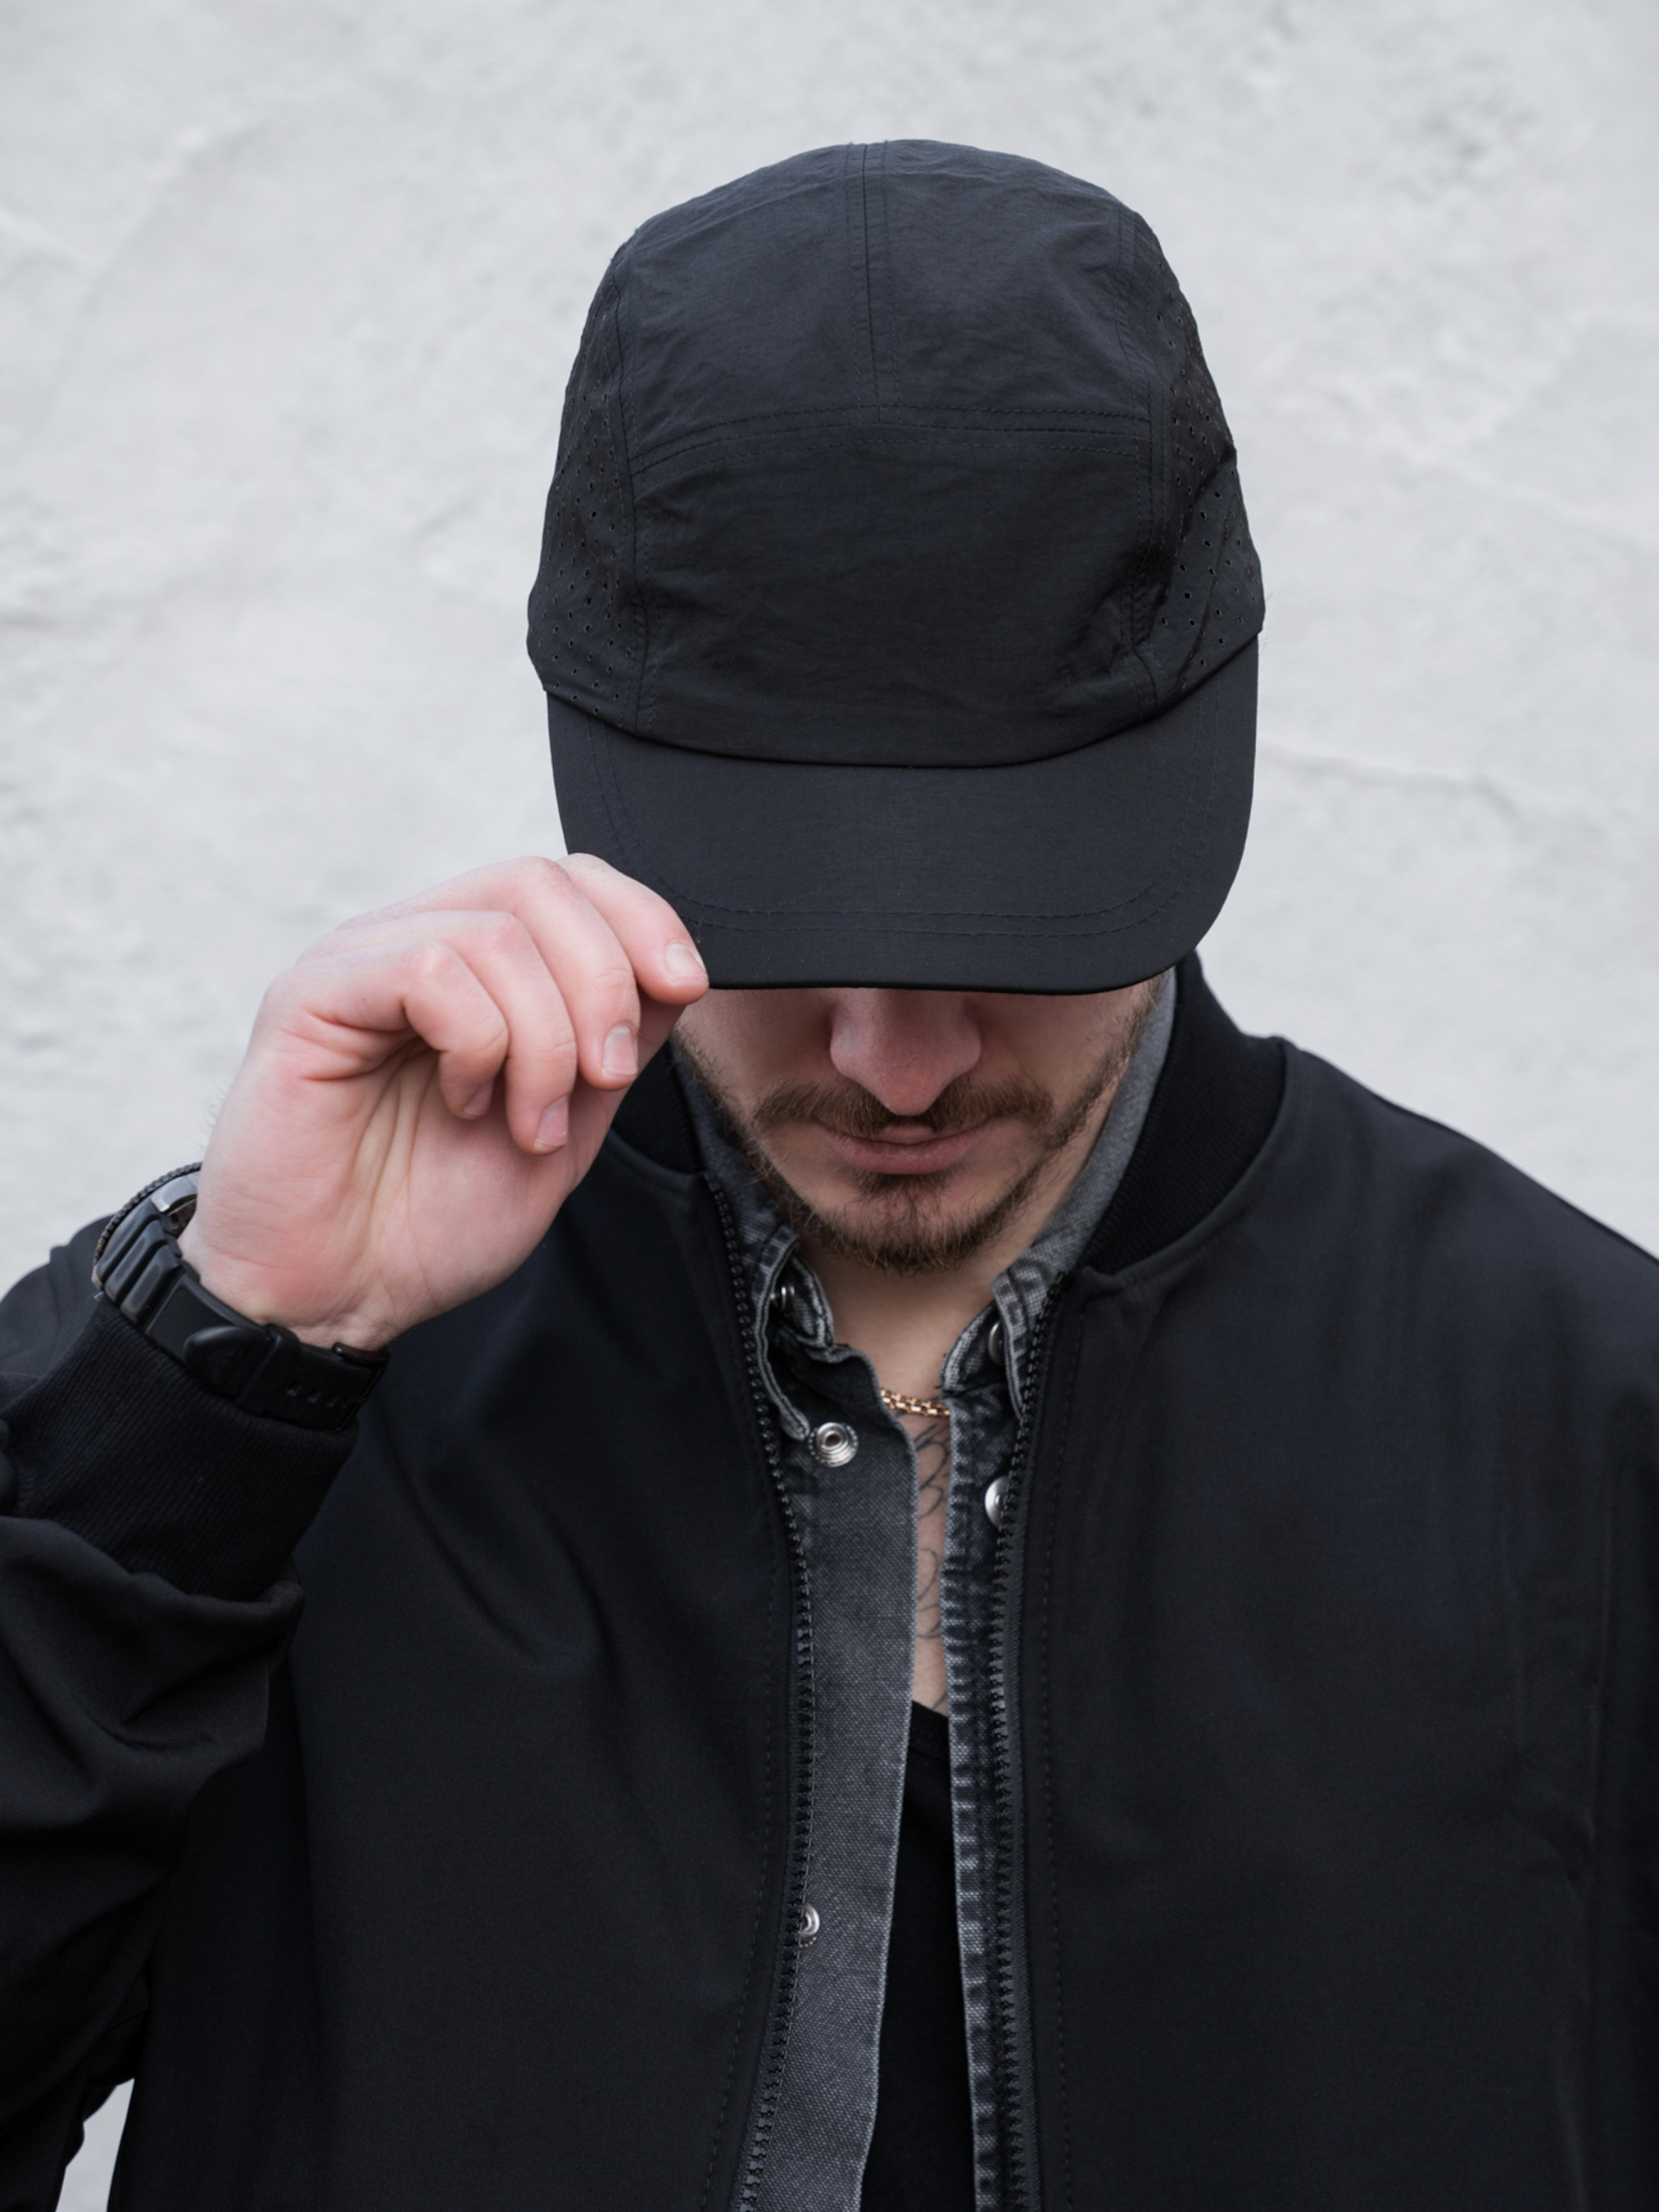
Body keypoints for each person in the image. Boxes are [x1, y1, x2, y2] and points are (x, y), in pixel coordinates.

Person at [1, 139, 1655, 2212]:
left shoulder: (1581, 1425)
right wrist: (208, 1378)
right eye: (787, 927)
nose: (894, 1059)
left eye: (1011, 932)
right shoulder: (282, 1402)